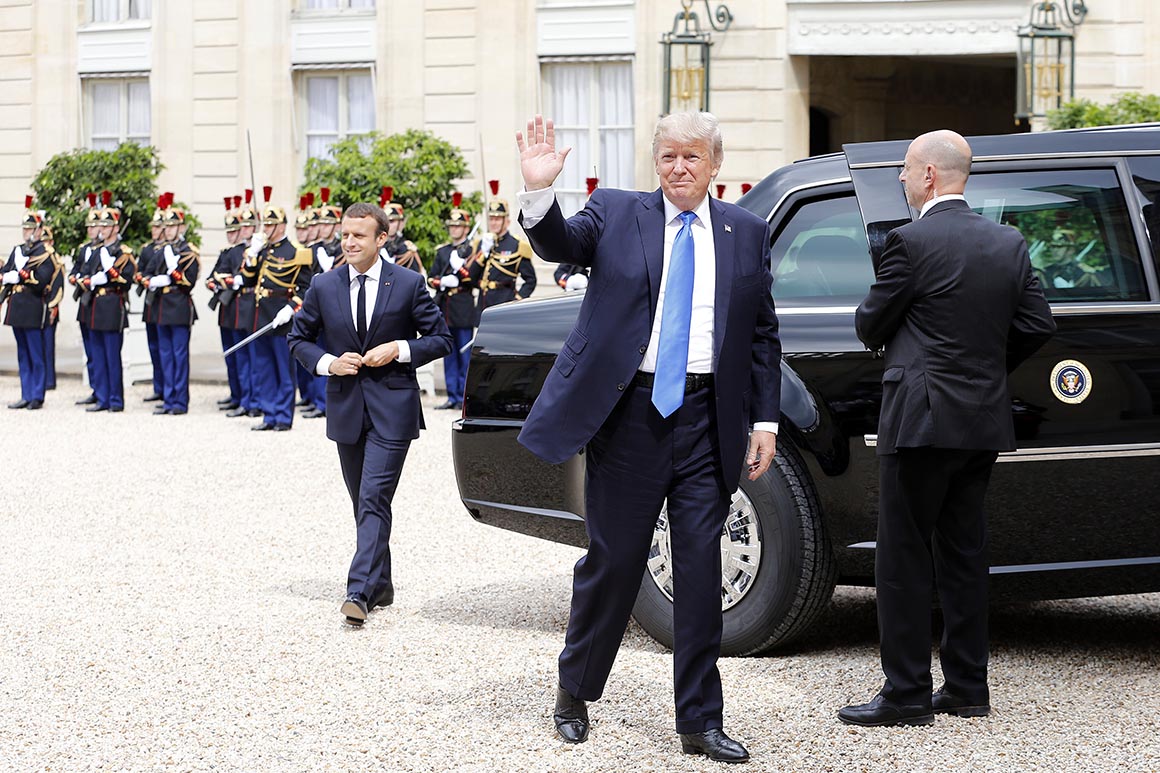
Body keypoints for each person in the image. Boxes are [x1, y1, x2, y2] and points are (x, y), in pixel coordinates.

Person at [514, 113, 781, 763]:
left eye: (692, 156)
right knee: (614, 561)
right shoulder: (615, 212)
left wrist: (765, 420)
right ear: (654, 161)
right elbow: (559, 244)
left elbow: (762, 334)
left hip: (708, 419)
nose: (679, 168)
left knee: (699, 572)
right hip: (630, 416)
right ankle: (575, 687)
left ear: (715, 162)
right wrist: (539, 192)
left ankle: (699, 719)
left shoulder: (745, 231)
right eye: (667, 156)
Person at [838, 130, 1056, 728]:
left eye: (907, 171)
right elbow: (1037, 324)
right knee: (964, 554)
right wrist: (986, 370)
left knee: (903, 556)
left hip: (920, 418)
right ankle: (967, 687)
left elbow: (869, 323)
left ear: (930, 175)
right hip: (981, 419)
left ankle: (906, 695)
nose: (903, 181)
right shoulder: (1008, 242)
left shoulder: (909, 242)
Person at [287, 202, 451, 626]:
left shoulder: (410, 283)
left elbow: (441, 339)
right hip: (345, 409)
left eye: (359, 235)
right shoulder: (323, 285)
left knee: (373, 497)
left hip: (394, 409)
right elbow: (298, 339)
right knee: (364, 502)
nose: (349, 242)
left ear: (382, 239)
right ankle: (382, 583)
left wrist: (400, 349)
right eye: (345, 234)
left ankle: (359, 590)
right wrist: (327, 362)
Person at [240, 188, 313, 431]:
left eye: (271, 225)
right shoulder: (262, 249)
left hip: (282, 318)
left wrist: (291, 309)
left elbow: (306, 289)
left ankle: (283, 416)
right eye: (265, 224)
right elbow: (249, 281)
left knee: (283, 369)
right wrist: (251, 254)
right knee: (263, 368)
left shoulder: (296, 252)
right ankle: (269, 414)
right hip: (261, 317)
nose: (266, 229)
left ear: (282, 226)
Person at [78, 194, 136, 413]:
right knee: (98, 355)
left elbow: (127, 280)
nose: (101, 228)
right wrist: (89, 279)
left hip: (112, 305)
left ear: (115, 227)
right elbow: (84, 272)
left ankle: (115, 400)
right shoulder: (97, 251)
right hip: (94, 305)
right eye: (101, 224)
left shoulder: (123, 252)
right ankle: (102, 397)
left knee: (112, 356)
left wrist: (110, 273)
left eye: (106, 224)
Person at [142, 202, 200, 416]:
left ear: (181, 228)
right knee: (165, 355)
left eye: (172, 226)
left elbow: (188, 281)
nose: (167, 230)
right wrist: (153, 280)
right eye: (166, 226)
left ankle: (180, 401)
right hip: (161, 307)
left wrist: (172, 273)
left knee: (179, 355)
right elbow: (146, 273)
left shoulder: (188, 251)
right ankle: (168, 399)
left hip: (179, 305)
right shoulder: (161, 251)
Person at [2, 197, 56, 409]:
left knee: (35, 352)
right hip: (17, 306)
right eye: (25, 229)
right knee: (23, 353)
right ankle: (26, 393)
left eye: (31, 229)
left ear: (39, 230)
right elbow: (5, 272)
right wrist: (9, 276)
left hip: (33, 305)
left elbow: (42, 279)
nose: (27, 233)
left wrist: (22, 275)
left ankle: (37, 395)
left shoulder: (44, 253)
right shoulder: (18, 250)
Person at [427, 195, 476, 410]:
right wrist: (442, 281)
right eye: (452, 226)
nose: (454, 230)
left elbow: (474, 279)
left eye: (458, 226)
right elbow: (431, 277)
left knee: (465, 355)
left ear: (466, 229)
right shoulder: (443, 251)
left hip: (463, 306)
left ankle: (464, 399)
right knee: (448, 353)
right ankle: (452, 395)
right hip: (446, 307)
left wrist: (462, 271)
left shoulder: (471, 251)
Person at [471, 182, 536, 320]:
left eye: (498, 219)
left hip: (504, 305)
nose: (494, 223)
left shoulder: (516, 245)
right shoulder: (482, 243)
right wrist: (483, 253)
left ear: (506, 221)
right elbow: (472, 278)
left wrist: (517, 299)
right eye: (491, 219)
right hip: (483, 306)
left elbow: (531, 280)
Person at [225, 191, 264, 419]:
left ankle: (256, 400)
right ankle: (245, 399)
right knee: (242, 357)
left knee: (255, 358)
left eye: (251, 226)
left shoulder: (260, 249)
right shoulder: (239, 250)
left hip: (254, 303)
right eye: (244, 226)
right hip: (240, 306)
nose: (247, 230)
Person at [207, 196, 245, 411]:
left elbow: (238, 278)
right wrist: (216, 284)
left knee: (242, 357)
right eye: (228, 231)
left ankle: (247, 398)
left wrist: (224, 280)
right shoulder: (227, 252)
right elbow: (213, 277)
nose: (231, 235)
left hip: (240, 309)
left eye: (234, 231)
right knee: (230, 355)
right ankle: (236, 394)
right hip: (227, 309)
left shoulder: (244, 253)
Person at [69, 194, 102, 406]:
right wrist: (76, 278)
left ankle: (102, 390)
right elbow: (75, 270)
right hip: (85, 302)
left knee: (99, 350)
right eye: (89, 226)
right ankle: (94, 387)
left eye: (94, 225)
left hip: (98, 302)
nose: (90, 230)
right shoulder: (84, 249)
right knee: (90, 350)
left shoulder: (106, 250)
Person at [136, 195, 169, 403]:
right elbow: (140, 271)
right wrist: (142, 279)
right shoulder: (147, 249)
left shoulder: (170, 249)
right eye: (154, 227)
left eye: (158, 227)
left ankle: (168, 388)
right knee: (154, 347)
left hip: (166, 303)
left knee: (166, 348)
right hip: (151, 302)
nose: (154, 230)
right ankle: (159, 386)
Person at [38, 224, 65, 391]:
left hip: (49, 305)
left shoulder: (57, 261)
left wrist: (52, 306)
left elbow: (58, 287)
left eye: (47, 241)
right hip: (36, 305)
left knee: (47, 345)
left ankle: (49, 380)